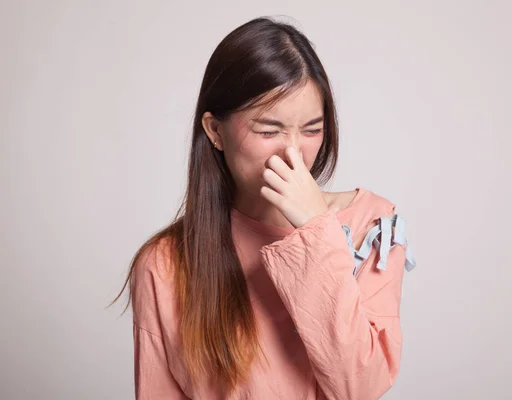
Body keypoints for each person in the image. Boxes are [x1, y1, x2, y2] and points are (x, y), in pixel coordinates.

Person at [112, 16, 417, 400]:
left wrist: (314, 231)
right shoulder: (166, 264)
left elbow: (359, 386)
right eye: (268, 131)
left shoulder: (370, 226)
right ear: (215, 131)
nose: (293, 153)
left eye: (312, 129)